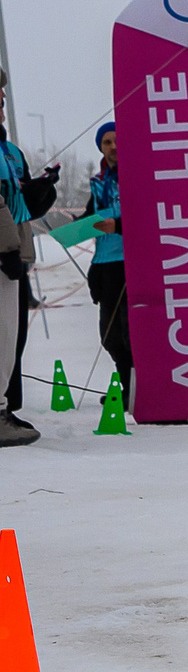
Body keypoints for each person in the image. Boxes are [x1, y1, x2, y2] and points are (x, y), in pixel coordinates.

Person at [0, 72, 61, 435]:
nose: (1, 106)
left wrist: (40, 192)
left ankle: (6, 404)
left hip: (13, 252)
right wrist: (7, 247)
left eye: (2, 98)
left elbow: (17, 200)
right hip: (4, 250)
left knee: (11, 335)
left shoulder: (9, 151)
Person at [78, 121, 131, 394]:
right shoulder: (99, 182)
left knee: (130, 334)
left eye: (117, 140)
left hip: (131, 264)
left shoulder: (136, 176)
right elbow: (91, 217)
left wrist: (119, 226)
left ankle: (138, 388)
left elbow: (150, 219)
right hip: (104, 265)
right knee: (110, 338)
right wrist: (76, 227)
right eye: (107, 142)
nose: (113, 147)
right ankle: (128, 387)